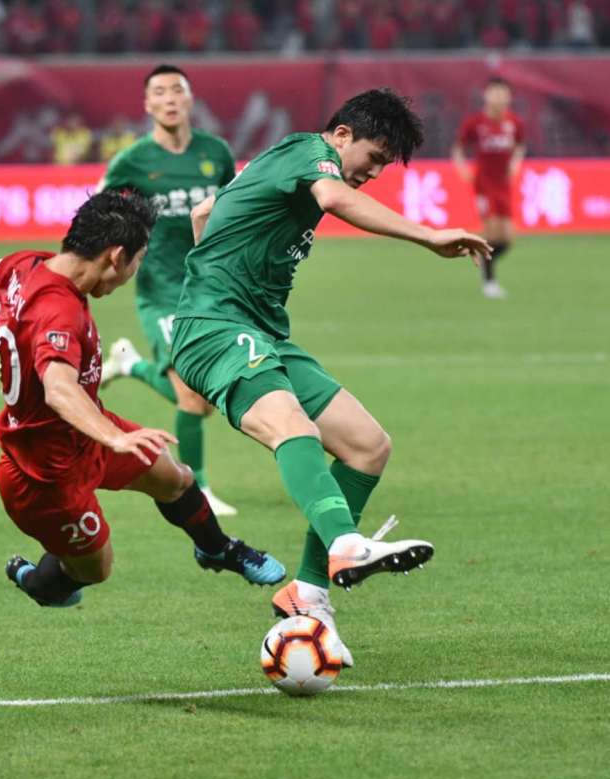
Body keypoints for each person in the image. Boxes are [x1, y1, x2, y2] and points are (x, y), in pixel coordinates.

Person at [171, 88, 492, 663]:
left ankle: (310, 594)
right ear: (342, 135)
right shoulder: (310, 154)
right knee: (293, 426)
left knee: (368, 446)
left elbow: (203, 215)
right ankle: (345, 543)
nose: (374, 173)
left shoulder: (283, 165)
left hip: (260, 332)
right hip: (216, 327)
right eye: (374, 157)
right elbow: (334, 196)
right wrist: (428, 235)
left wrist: (216, 263)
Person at [0, 189, 285, 610]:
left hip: (82, 434)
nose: (135, 272)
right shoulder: (59, 311)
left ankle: (217, 549)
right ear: (116, 256)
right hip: (43, 474)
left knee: (175, 478)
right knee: (95, 568)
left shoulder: (23, 265)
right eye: (138, 260)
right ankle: (34, 580)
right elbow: (58, 388)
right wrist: (114, 437)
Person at [98, 64, 239, 518]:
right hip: (160, 289)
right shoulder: (133, 161)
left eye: (177, 89)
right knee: (191, 395)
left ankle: (130, 365)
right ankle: (198, 487)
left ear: (190, 99)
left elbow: (234, 209)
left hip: (208, 287)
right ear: (147, 105)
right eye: (159, 92)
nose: (169, 98)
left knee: (205, 399)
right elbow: (98, 208)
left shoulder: (215, 153)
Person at [452, 77, 526, 299]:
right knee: (491, 230)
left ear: (509, 97)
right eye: (494, 93)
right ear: (486, 95)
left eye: (503, 93)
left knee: (508, 238)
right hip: (484, 182)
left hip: (504, 183)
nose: (499, 97)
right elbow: (458, 148)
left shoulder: (514, 122)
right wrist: (462, 168)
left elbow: (520, 145)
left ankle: (483, 261)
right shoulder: (475, 123)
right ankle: (489, 281)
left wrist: (516, 163)